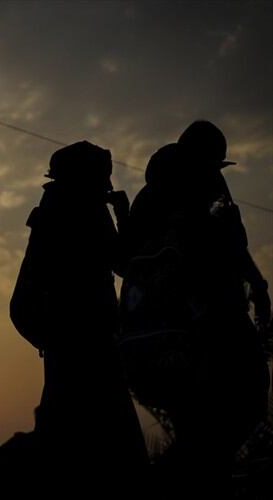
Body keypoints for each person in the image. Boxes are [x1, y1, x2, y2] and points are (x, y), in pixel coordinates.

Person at [124, 121, 271, 497]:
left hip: (150, 338)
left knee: (199, 423)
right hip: (206, 325)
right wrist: (256, 285)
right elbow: (230, 247)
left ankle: (183, 480)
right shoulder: (202, 188)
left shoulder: (147, 196)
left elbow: (125, 259)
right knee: (242, 401)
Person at [12, 141, 148, 499]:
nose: (106, 183)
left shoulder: (51, 210)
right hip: (90, 339)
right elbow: (124, 263)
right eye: (102, 175)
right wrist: (125, 215)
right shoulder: (84, 209)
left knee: (65, 436)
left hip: (62, 341)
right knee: (113, 444)